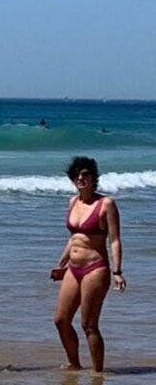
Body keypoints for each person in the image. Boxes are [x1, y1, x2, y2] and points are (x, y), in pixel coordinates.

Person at [50, 157, 125, 373]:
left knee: (89, 325)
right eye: (76, 175)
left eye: (85, 174)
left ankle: (97, 374)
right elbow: (75, 237)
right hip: (73, 269)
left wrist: (117, 271)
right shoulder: (72, 202)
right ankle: (74, 364)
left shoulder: (106, 204)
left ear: (93, 177)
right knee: (60, 320)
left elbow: (115, 240)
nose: (81, 178)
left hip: (96, 268)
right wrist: (61, 263)